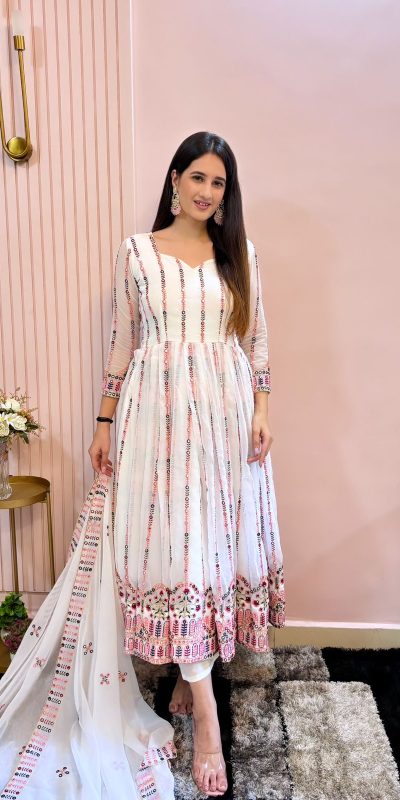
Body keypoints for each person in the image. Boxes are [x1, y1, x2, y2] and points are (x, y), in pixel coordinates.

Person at [89, 130, 286, 797]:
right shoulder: (137, 253)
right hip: (157, 418)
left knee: (210, 544)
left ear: (227, 194)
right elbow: (123, 343)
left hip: (227, 414)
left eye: (218, 182)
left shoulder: (241, 255)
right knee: (175, 543)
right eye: (197, 177)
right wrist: (104, 421)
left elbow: (256, 341)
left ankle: (187, 669)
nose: (206, 191)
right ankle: (206, 718)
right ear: (175, 180)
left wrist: (262, 409)